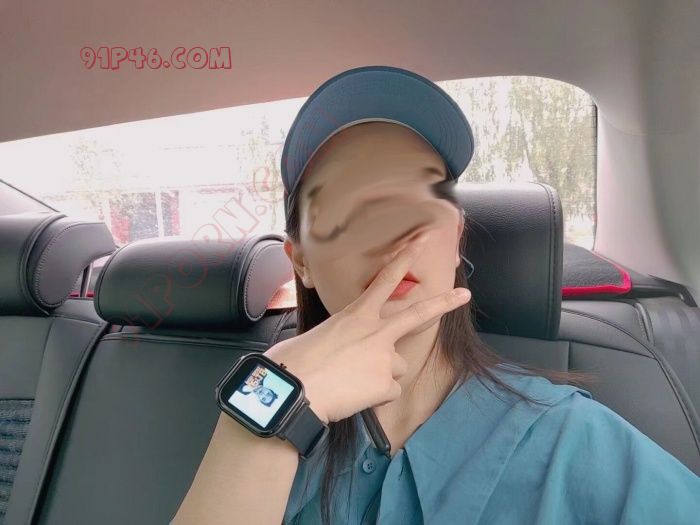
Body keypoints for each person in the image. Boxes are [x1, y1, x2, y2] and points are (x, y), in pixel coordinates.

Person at [172, 66, 700, 525]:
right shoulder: (264, 437)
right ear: (301, 261)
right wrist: (268, 410)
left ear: (456, 240)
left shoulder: (575, 442)